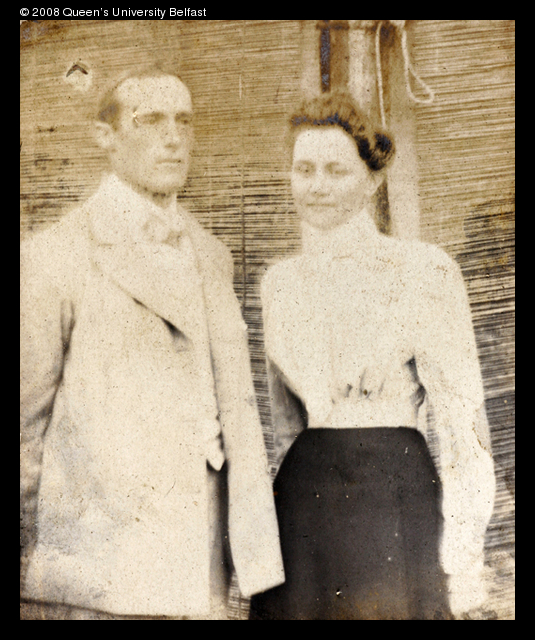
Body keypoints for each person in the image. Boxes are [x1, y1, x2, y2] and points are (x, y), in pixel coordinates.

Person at [20, 66, 284, 620]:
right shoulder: (54, 255)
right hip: (97, 573)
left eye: (184, 121)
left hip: (199, 564)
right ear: (106, 136)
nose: (173, 137)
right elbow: (24, 428)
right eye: (151, 120)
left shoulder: (211, 254)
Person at [249, 91, 496, 620]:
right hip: (304, 508)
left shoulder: (424, 270)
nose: (317, 186)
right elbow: (287, 428)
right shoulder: (278, 284)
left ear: (373, 180)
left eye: (336, 170)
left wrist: (465, 564)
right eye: (304, 170)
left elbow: (464, 428)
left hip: (393, 499)